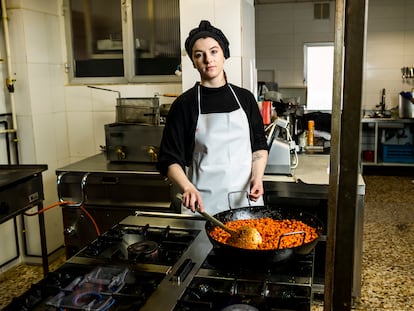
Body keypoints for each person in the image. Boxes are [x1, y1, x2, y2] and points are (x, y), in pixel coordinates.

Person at [156, 20, 268, 215]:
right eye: (199, 55)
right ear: (193, 62)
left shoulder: (245, 98)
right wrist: (187, 188)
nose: (208, 59)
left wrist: (258, 177)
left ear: (224, 54)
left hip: (246, 202)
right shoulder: (185, 105)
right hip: (203, 206)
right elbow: (169, 158)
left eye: (214, 51)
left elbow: (258, 145)